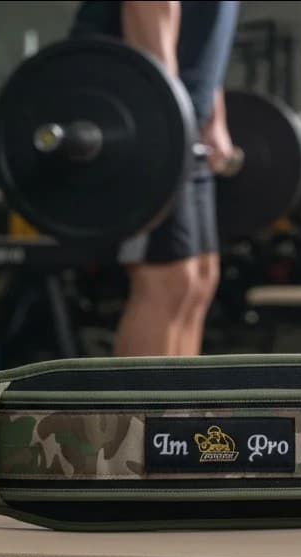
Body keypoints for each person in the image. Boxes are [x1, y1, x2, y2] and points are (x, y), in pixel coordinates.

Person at [71, 1, 240, 357]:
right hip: (139, 114)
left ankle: (181, 395)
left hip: (182, 118)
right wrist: (161, 110)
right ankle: (142, 398)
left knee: (200, 277)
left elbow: (202, 37)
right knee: (167, 278)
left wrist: (214, 116)